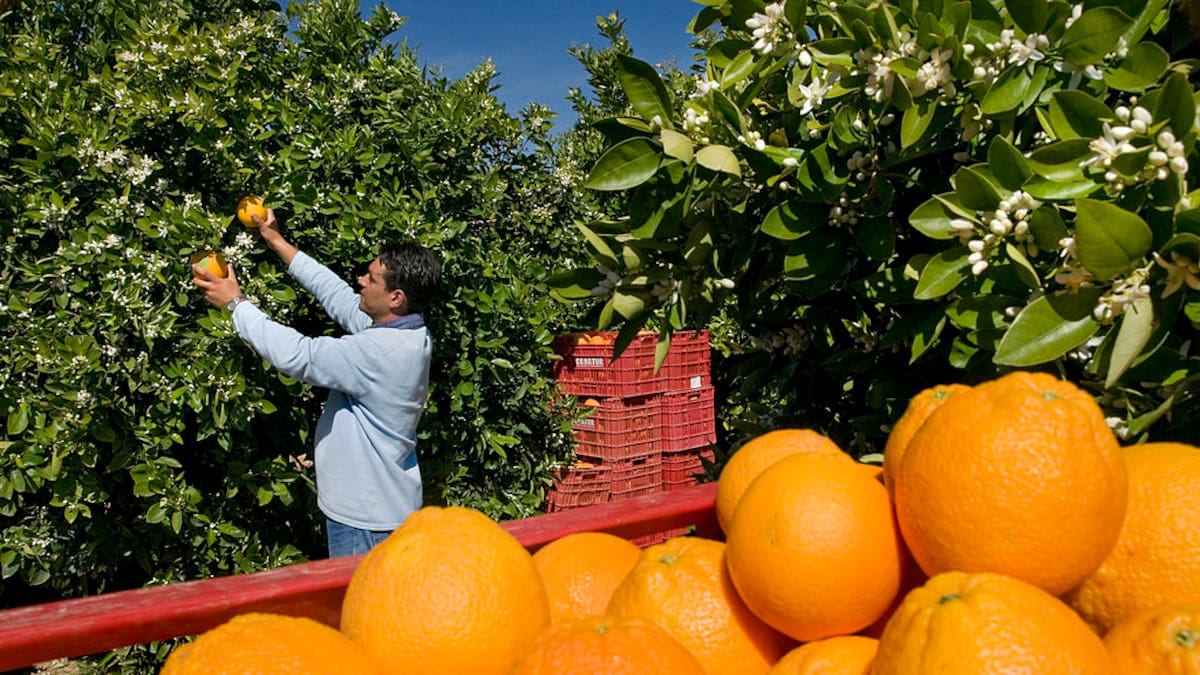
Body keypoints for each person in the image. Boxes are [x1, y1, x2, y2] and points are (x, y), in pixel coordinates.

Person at [192, 208, 441, 557]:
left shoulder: (379, 352)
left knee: (362, 610)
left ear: (395, 298)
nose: (360, 281)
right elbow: (335, 293)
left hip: (365, 523)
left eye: (370, 278)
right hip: (381, 509)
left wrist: (235, 303)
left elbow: (298, 355)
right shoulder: (408, 330)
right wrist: (275, 240)